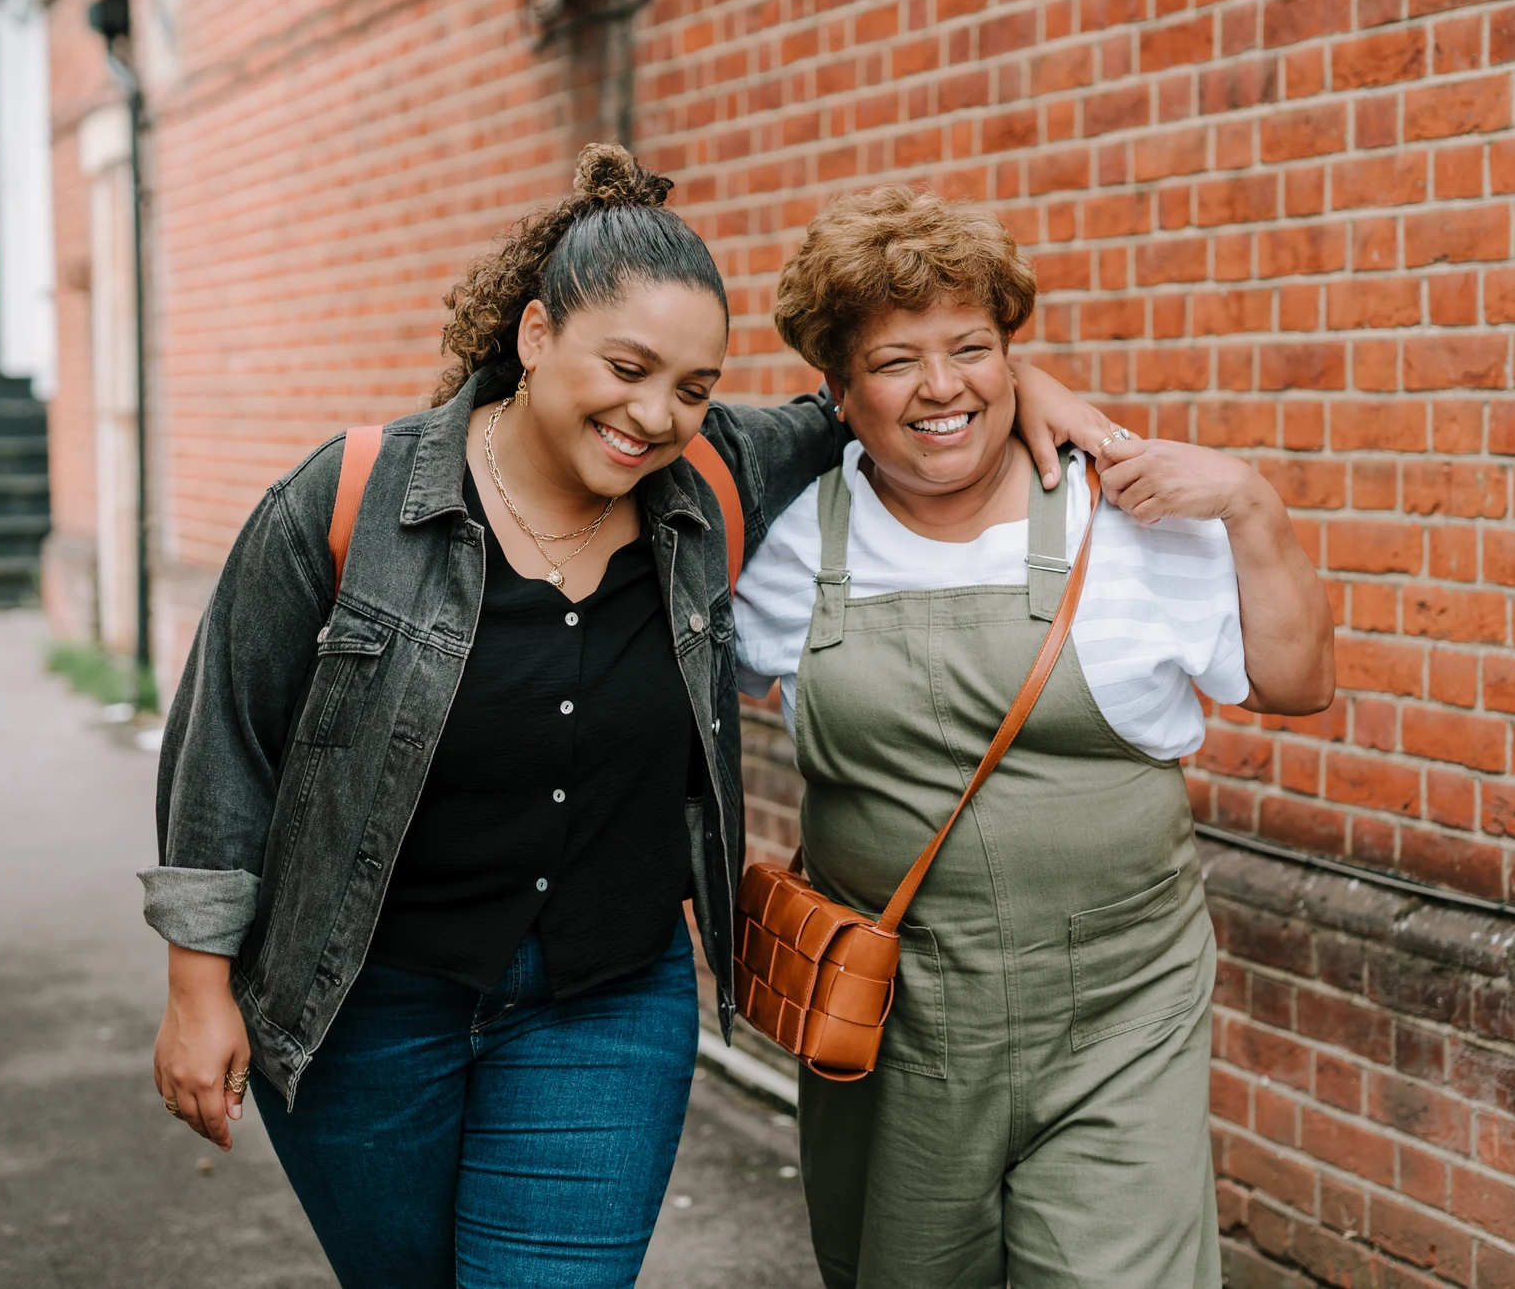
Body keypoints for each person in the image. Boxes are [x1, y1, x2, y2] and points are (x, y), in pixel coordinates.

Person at [143, 146, 1117, 1288]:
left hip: (604, 1003)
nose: (655, 414)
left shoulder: (707, 483)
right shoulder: (355, 494)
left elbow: (865, 404)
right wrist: (195, 992)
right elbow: (223, 743)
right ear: (536, 335)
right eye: (628, 366)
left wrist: (1026, 386)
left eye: (694, 387)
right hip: (367, 1007)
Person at [733, 185, 1335, 1289]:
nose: (942, 385)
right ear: (836, 390)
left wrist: (1252, 503)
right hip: (893, 1018)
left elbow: (1296, 683)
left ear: (1012, 354)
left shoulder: (1128, 515)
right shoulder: (780, 543)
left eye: (971, 347)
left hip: (1119, 1007)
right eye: (894, 361)